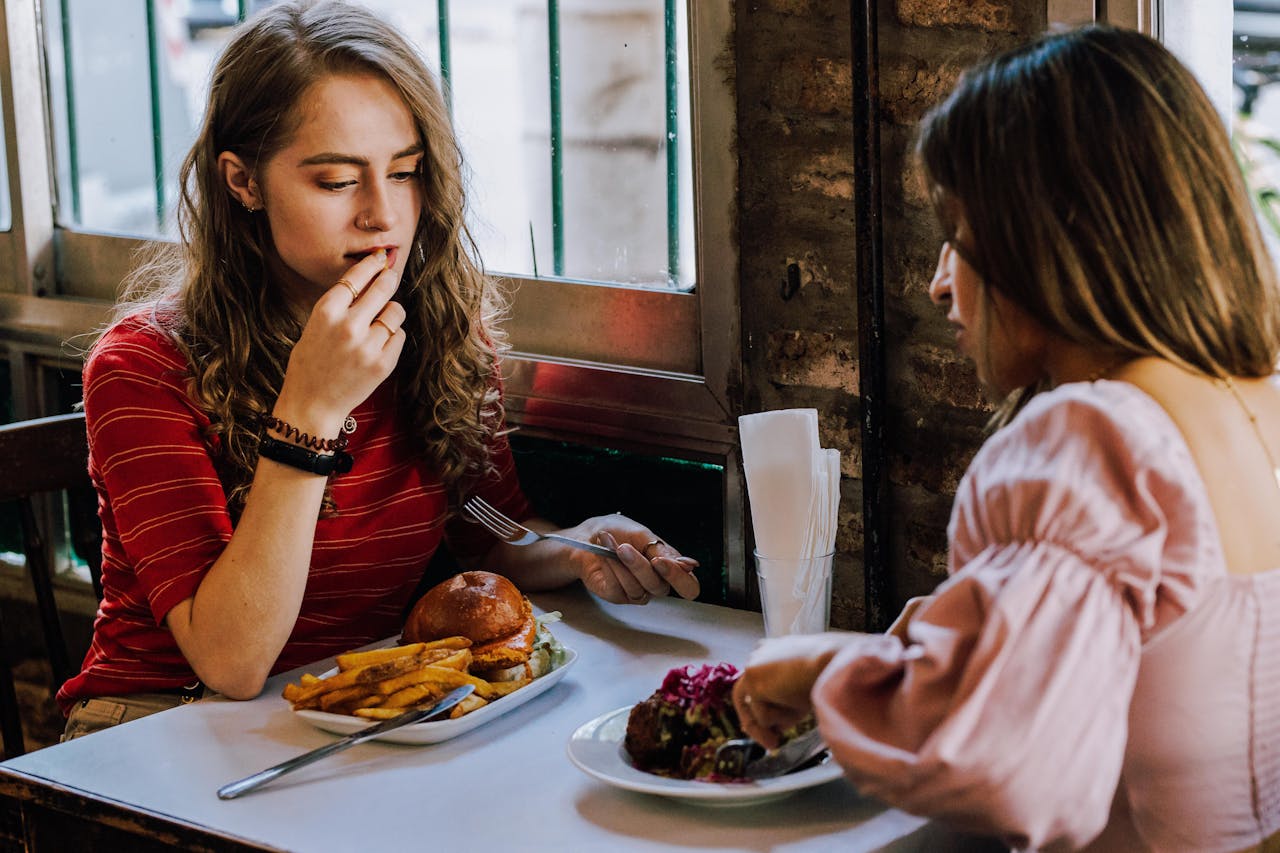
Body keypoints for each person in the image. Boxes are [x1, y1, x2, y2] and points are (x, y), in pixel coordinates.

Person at [59, 0, 699, 739]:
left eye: (405, 172)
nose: (383, 214)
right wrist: (309, 411)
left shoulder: (436, 330)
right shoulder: (142, 365)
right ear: (242, 181)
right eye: (336, 181)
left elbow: (487, 531)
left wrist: (583, 545)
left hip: (355, 710)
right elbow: (231, 660)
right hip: (158, 724)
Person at [731, 25, 1280, 852]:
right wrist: (968, 634)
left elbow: (1002, 762)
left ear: (1050, 241)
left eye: (959, 237)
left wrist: (823, 667)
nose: (938, 282)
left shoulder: (1098, 437)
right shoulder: (1259, 400)